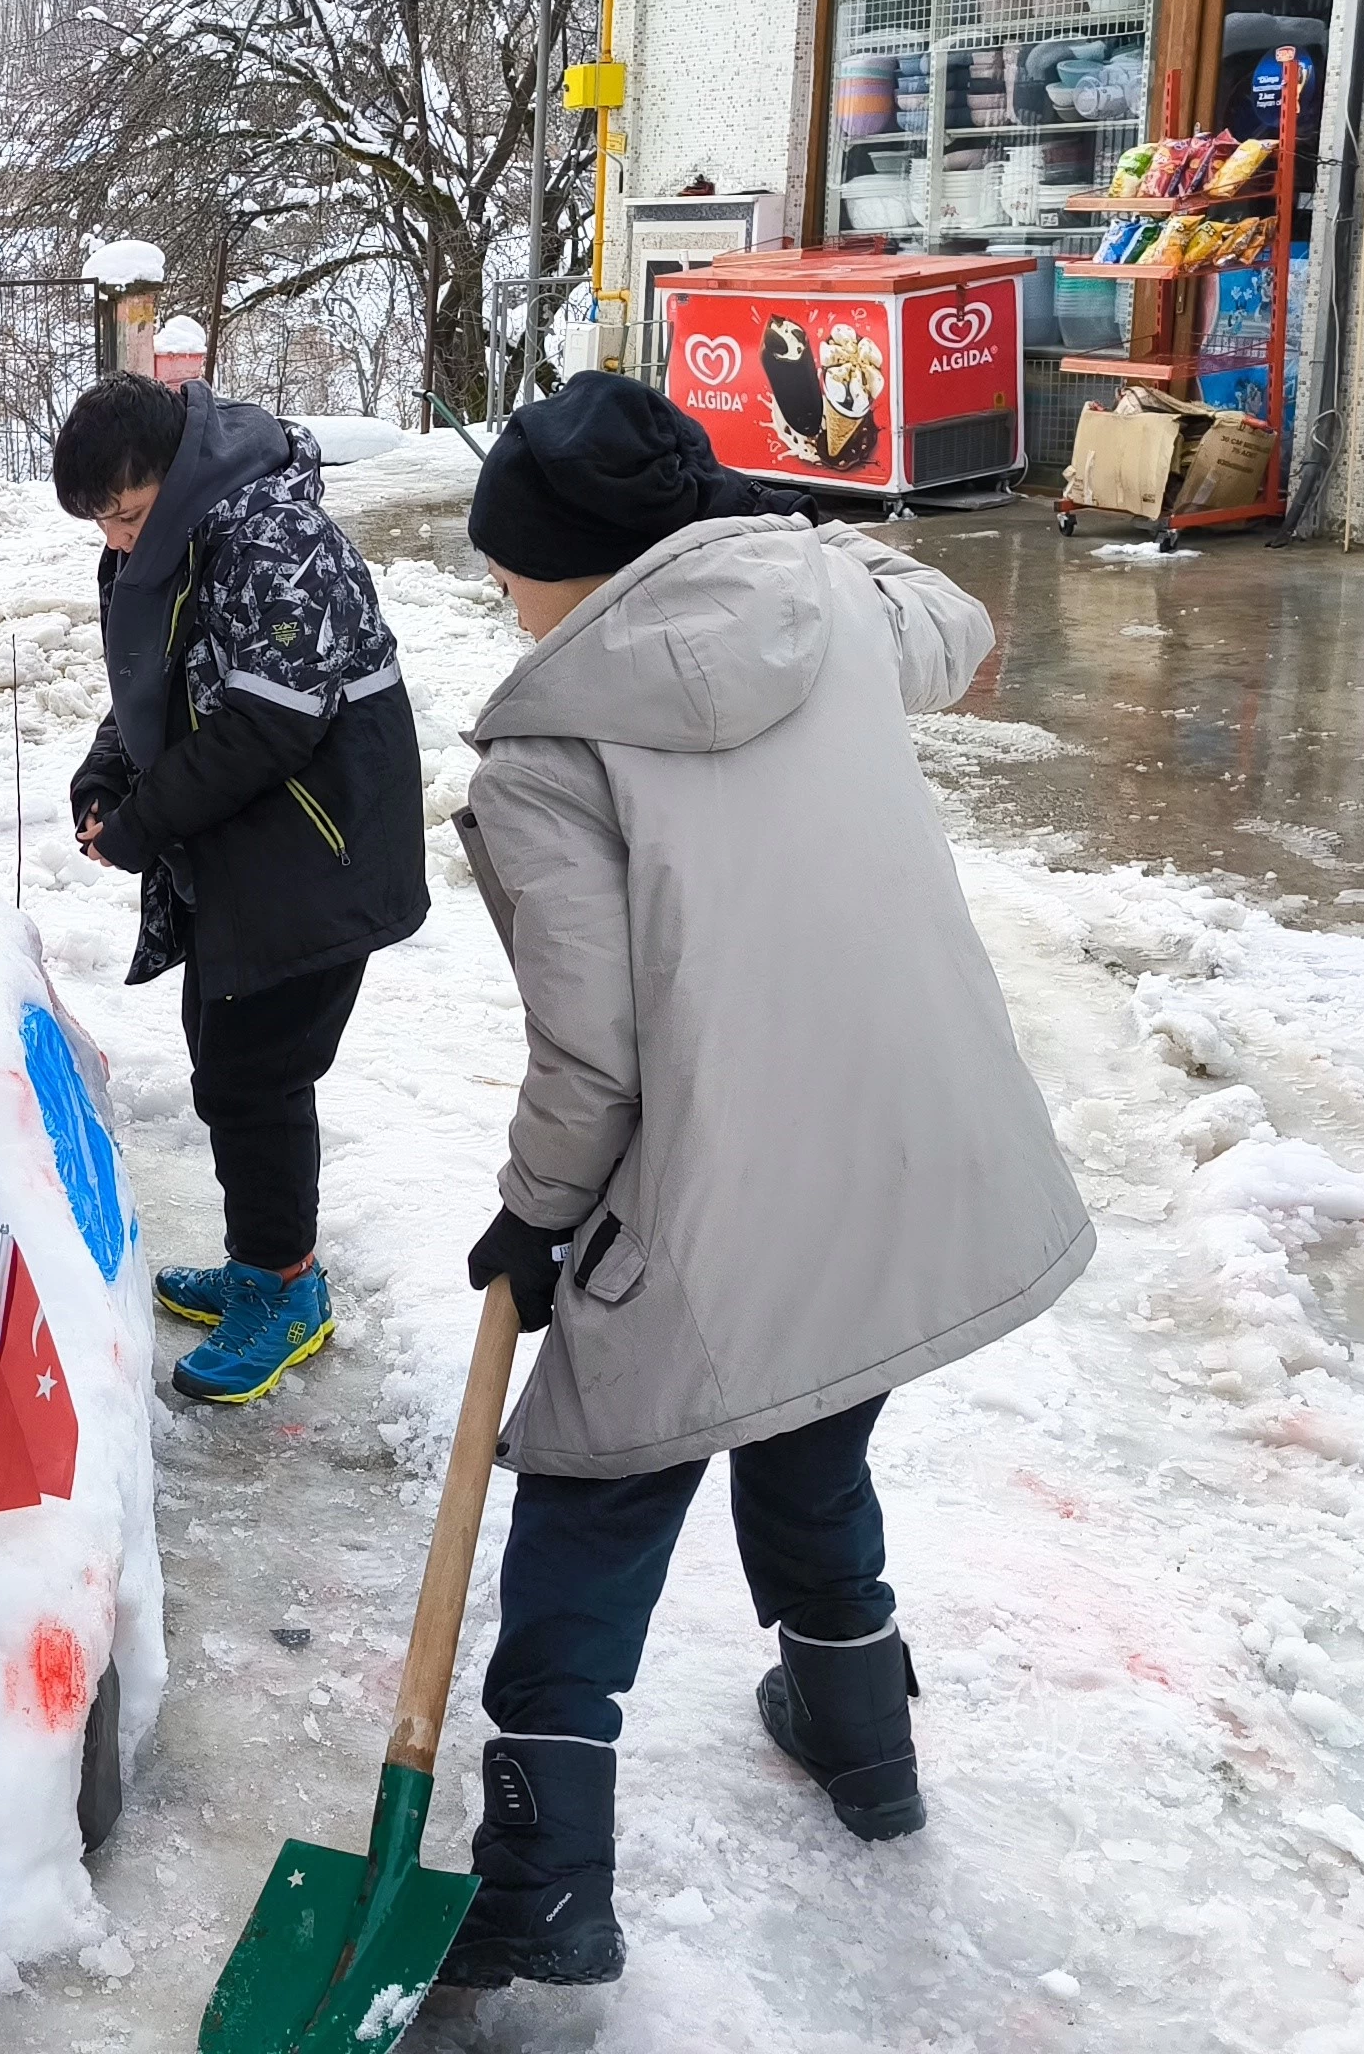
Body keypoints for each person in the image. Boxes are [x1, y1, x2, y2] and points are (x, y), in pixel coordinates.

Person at [440, 373, 1093, 1991]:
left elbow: (595, 1063)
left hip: (730, 1169)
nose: (502, 593)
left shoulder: (545, 752)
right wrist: (756, 516)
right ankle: (858, 1726)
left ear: (568, 563)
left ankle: (539, 1900)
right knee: (815, 1403)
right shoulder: (830, 601)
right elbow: (951, 609)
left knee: (594, 1488)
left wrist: (535, 1219)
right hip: (909, 1137)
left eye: (508, 561)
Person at [52, 374, 427, 1406]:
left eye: (126, 516)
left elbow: (265, 723)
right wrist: (109, 775)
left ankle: (285, 1289)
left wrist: (145, 822)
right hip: (246, 851)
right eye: (102, 525)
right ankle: (261, 1260)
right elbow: (162, 685)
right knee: (224, 1055)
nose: (118, 542)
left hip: (318, 851)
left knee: (255, 1075)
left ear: (172, 475)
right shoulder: (174, 537)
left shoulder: (276, 540)